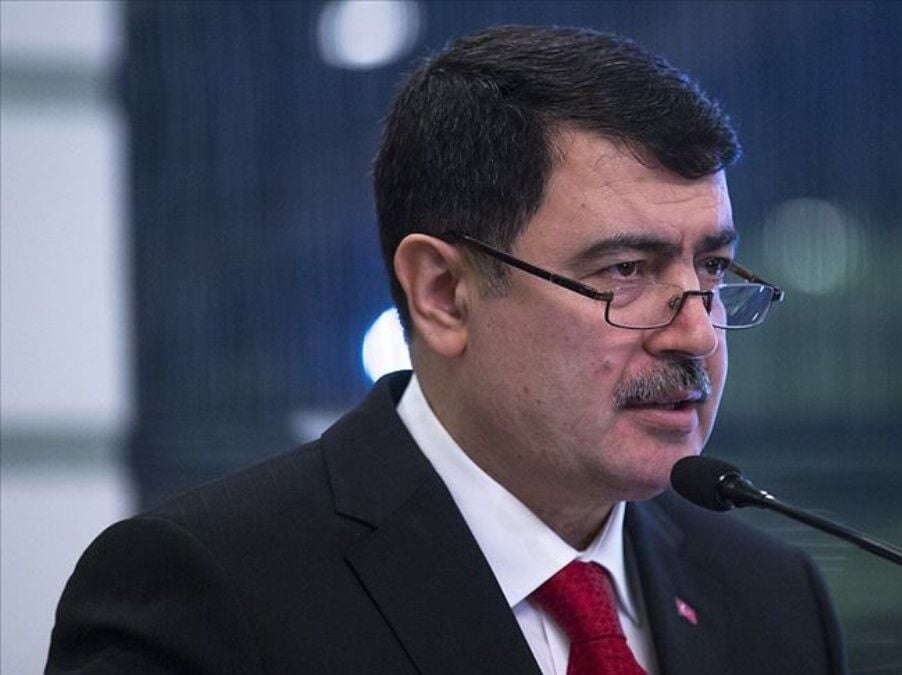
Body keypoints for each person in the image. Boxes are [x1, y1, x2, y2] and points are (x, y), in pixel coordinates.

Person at [47, 25, 845, 674]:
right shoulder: (211, 593)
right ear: (442, 293)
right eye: (626, 271)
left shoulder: (770, 598)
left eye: (711, 268)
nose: (697, 333)